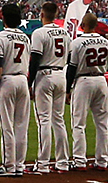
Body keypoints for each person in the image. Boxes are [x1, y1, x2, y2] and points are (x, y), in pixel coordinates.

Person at [0, 2, 31, 176]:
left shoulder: (0, 37)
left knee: (7, 126)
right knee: (21, 126)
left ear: (3, 17)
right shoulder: (25, 37)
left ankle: (9, 166)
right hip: (22, 80)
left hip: (7, 80)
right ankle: (19, 165)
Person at [67, 11, 108, 170]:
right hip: (102, 80)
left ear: (83, 25)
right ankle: (102, 160)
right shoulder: (105, 42)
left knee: (79, 123)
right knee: (103, 123)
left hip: (83, 81)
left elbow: (72, 68)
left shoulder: (77, 42)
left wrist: (67, 89)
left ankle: (80, 161)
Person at [26, 10, 73, 173]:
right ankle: (63, 162)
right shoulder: (65, 33)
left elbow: (35, 59)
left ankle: (43, 163)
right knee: (58, 120)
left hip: (44, 75)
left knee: (44, 120)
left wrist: (29, 82)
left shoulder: (39, 32)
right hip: (61, 74)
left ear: (42, 14)